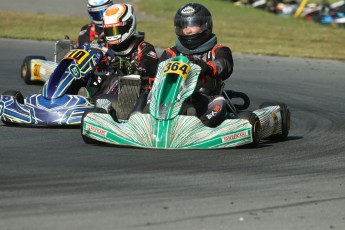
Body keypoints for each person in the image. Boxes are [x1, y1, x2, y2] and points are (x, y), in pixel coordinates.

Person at [159, 3, 234, 127]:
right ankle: (143, 123)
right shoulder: (171, 53)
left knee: (219, 104)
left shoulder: (219, 50)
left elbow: (224, 65)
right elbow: (158, 74)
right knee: (149, 96)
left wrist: (208, 67)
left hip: (206, 99)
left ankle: (199, 129)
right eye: (184, 26)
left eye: (192, 25)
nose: (188, 30)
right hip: (173, 100)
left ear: (205, 26)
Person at [95, 3, 158, 97]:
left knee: (116, 79)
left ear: (128, 25)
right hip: (101, 90)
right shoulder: (103, 47)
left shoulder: (145, 49)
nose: (112, 35)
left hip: (133, 98)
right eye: (109, 31)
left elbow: (146, 71)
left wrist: (127, 67)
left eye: (115, 30)